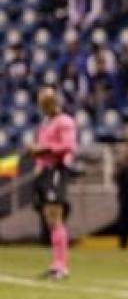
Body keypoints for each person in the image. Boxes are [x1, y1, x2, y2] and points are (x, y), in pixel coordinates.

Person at [29, 87, 78, 280]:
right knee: (49, 218)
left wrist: (43, 150)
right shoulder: (45, 123)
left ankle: (62, 266)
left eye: (47, 102)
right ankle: (56, 263)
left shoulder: (65, 121)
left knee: (54, 215)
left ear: (54, 102)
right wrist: (38, 165)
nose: (44, 106)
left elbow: (69, 146)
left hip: (57, 169)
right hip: (46, 171)